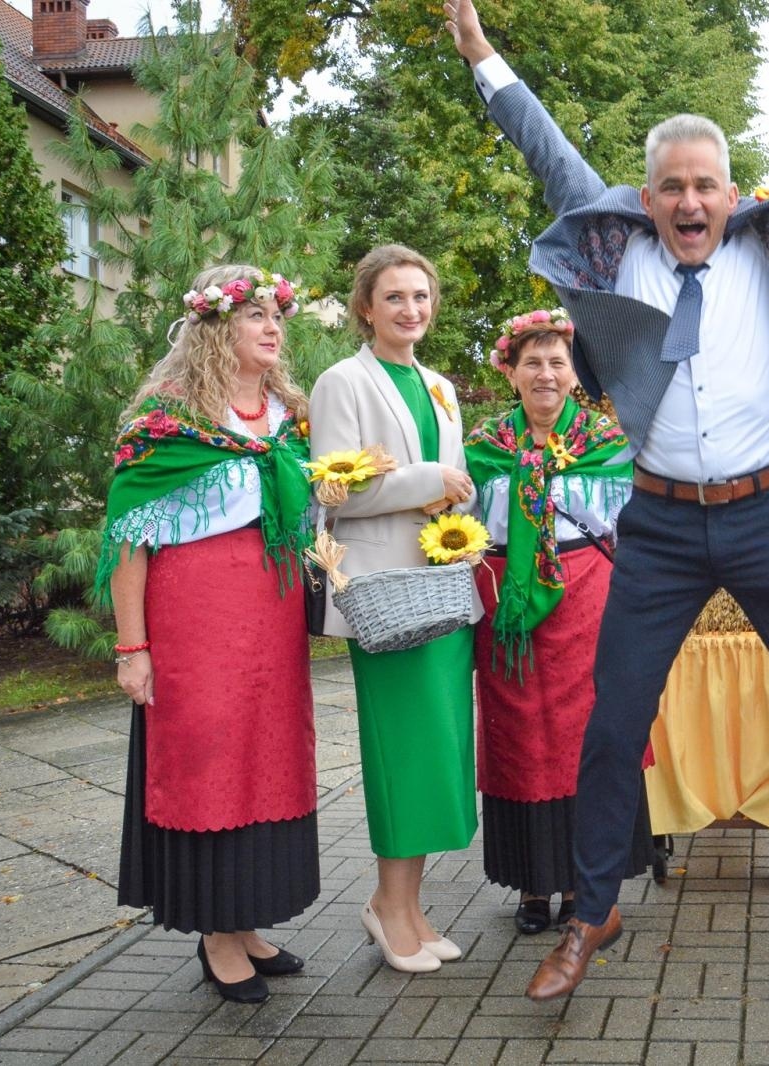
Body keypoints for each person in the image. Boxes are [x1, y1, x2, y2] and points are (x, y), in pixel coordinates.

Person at [446, 0, 769, 1006]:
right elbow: (543, 147)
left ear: (731, 192)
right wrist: (477, 48)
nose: (687, 200)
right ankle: (593, 911)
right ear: (647, 192)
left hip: (768, 516)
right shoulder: (617, 241)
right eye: (669, 185)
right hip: (663, 523)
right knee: (611, 720)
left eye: (704, 186)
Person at [105, 264, 319, 1004]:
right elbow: (129, 538)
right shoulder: (170, 417)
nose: (271, 328)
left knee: (269, 756)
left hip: (272, 614)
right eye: (254, 315)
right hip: (194, 615)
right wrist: (132, 648)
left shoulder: (287, 414)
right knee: (209, 759)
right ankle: (217, 937)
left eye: (276, 316)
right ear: (213, 326)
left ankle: (249, 921)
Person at [308, 244, 481, 974]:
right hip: (382, 598)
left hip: (438, 588)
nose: (411, 309)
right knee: (399, 752)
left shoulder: (439, 385)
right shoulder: (341, 382)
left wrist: (454, 494)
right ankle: (385, 904)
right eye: (395, 298)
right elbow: (333, 490)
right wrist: (429, 479)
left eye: (421, 297)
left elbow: (456, 478)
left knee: (439, 751)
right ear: (365, 307)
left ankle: (408, 908)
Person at [463, 307, 655, 935]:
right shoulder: (483, 451)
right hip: (509, 612)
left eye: (557, 363)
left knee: (587, 738)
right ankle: (532, 883)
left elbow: (639, 535)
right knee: (519, 737)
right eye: (532, 363)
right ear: (510, 372)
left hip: (590, 605)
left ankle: (584, 883)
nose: (545, 375)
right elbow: (458, 530)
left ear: (574, 374)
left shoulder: (609, 446)